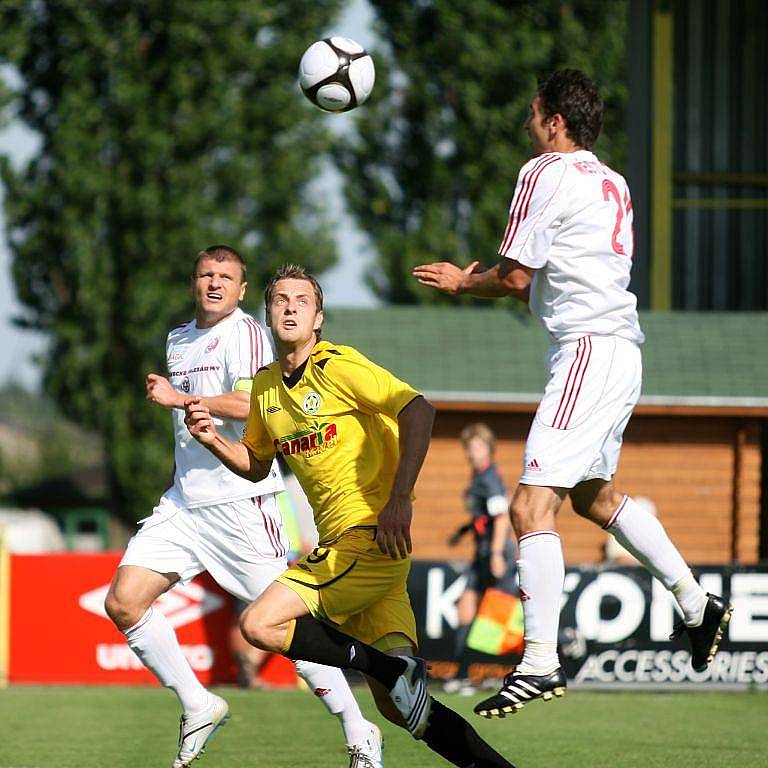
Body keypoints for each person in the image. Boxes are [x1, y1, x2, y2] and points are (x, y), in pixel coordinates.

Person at [412, 69, 733, 718]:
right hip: (621, 352)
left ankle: (540, 663)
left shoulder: (543, 173)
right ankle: (698, 606)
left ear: (554, 121)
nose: (530, 125)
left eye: (535, 114)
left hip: (585, 352)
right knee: (595, 497)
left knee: (530, 509)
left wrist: (462, 281)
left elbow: (515, 276)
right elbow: (552, 272)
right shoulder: (613, 182)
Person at [184, 264, 516, 768]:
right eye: (280, 300)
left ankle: (387, 667)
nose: (290, 307)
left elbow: (418, 409)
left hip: (367, 536)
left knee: (259, 624)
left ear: (318, 318)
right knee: (401, 708)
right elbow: (256, 465)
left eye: (302, 300)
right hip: (360, 553)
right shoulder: (267, 389)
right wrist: (212, 439)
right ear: (267, 314)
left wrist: (400, 497)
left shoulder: (339, 365)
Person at [104, 246, 381, 768]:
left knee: (284, 631)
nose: (215, 284)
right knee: (123, 601)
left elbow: (256, 404)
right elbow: (188, 433)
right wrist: (175, 476)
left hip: (241, 502)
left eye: (225, 277)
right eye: (207, 274)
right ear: (194, 281)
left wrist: (181, 400)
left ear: (242, 288)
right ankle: (198, 703)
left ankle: (359, 728)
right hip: (184, 505)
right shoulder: (178, 339)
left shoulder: (247, 333)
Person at [445, 423, 515, 695]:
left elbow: (501, 517)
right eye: (469, 447)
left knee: (500, 620)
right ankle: (463, 675)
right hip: (481, 554)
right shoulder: (478, 478)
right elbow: (482, 516)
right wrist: (463, 532)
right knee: (466, 609)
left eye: (477, 446)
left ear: (488, 448)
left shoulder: (489, 479)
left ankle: (561, 649)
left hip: (495, 555)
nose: (472, 452)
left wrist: (497, 554)